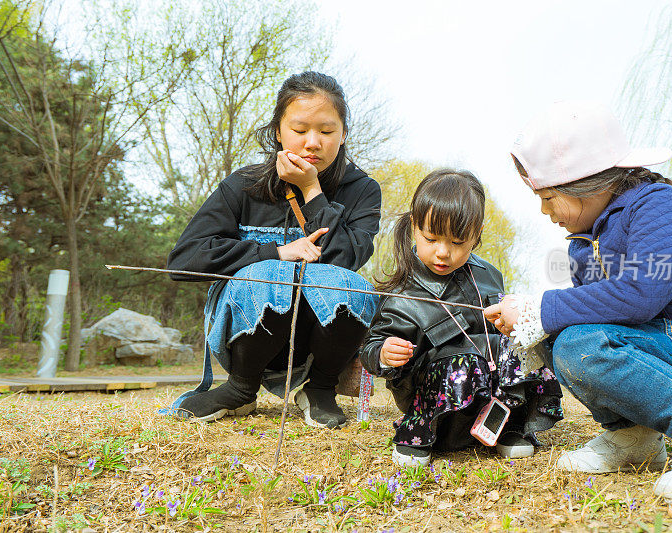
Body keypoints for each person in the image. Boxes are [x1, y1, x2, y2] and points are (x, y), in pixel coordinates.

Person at [484, 100, 672, 502]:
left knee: (578, 341)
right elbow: (600, 309)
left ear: (586, 185)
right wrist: (535, 320)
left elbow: (641, 295)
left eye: (548, 198)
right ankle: (634, 436)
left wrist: (540, 310)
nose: (544, 211)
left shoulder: (658, 204)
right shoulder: (584, 243)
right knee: (555, 337)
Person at [166, 71, 381, 428]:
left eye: (327, 132)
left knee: (353, 286)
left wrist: (312, 190)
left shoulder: (362, 191)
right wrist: (276, 253)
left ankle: (320, 389)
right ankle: (240, 388)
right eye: (300, 130)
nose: (313, 142)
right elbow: (184, 259)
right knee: (271, 272)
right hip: (248, 335)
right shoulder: (243, 186)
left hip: (322, 340)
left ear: (342, 134)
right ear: (278, 132)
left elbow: (345, 261)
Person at [359, 169, 562, 468]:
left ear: (477, 234)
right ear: (415, 226)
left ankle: (510, 426)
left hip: (487, 383)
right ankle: (418, 433)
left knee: (526, 343)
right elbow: (370, 347)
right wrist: (384, 353)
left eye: (457, 242)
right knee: (464, 358)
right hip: (434, 392)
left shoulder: (489, 275)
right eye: (431, 238)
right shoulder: (403, 291)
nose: (443, 252)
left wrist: (514, 323)